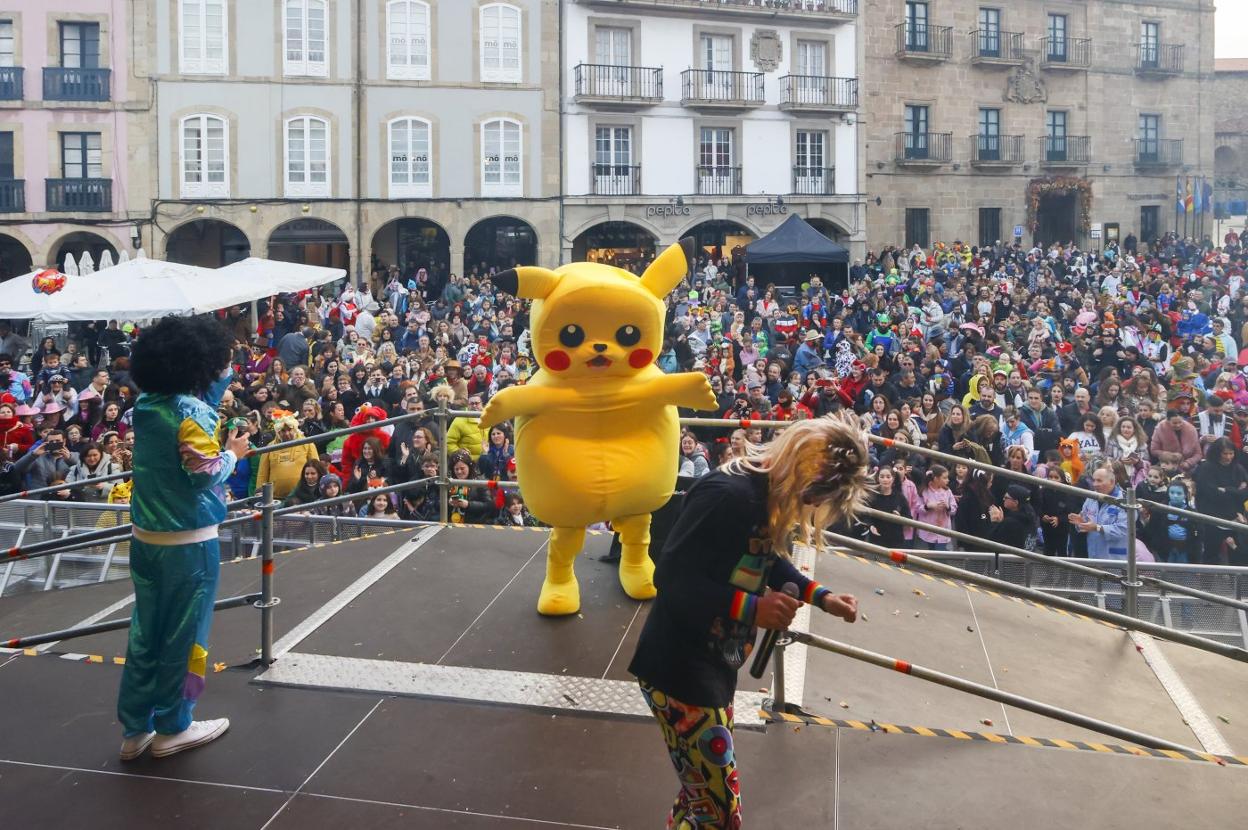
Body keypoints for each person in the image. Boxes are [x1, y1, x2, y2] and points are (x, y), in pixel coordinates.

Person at [628, 416, 866, 830]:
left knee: (699, 797)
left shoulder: (761, 498)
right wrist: (753, 609)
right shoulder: (728, 494)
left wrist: (821, 597)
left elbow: (767, 559)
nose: (809, 506)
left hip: (713, 665)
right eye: (812, 495)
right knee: (720, 814)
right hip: (679, 670)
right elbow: (670, 577)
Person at [117, 316, 249, 761]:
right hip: (189, 542)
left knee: (145, 632)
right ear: (199, 365)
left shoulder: (148, 405)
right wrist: (232, 453)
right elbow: (202, 473)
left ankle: (136, 728)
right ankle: (175, 724)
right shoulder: (193, 414)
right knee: (185, 635)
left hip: (146, 539)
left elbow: (192, 408)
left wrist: (219, 376)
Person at [1071, 467, 1129, 560]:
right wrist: (1081, 523)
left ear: (1112, 481)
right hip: (1093, 554)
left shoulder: (1124, 501)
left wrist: (1097, 527)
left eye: (1099, 481)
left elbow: (1123, 530)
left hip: (1115, 558)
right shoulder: (1091, 497)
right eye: (1093, 480)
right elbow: (1086, 521)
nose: (1095, 484)